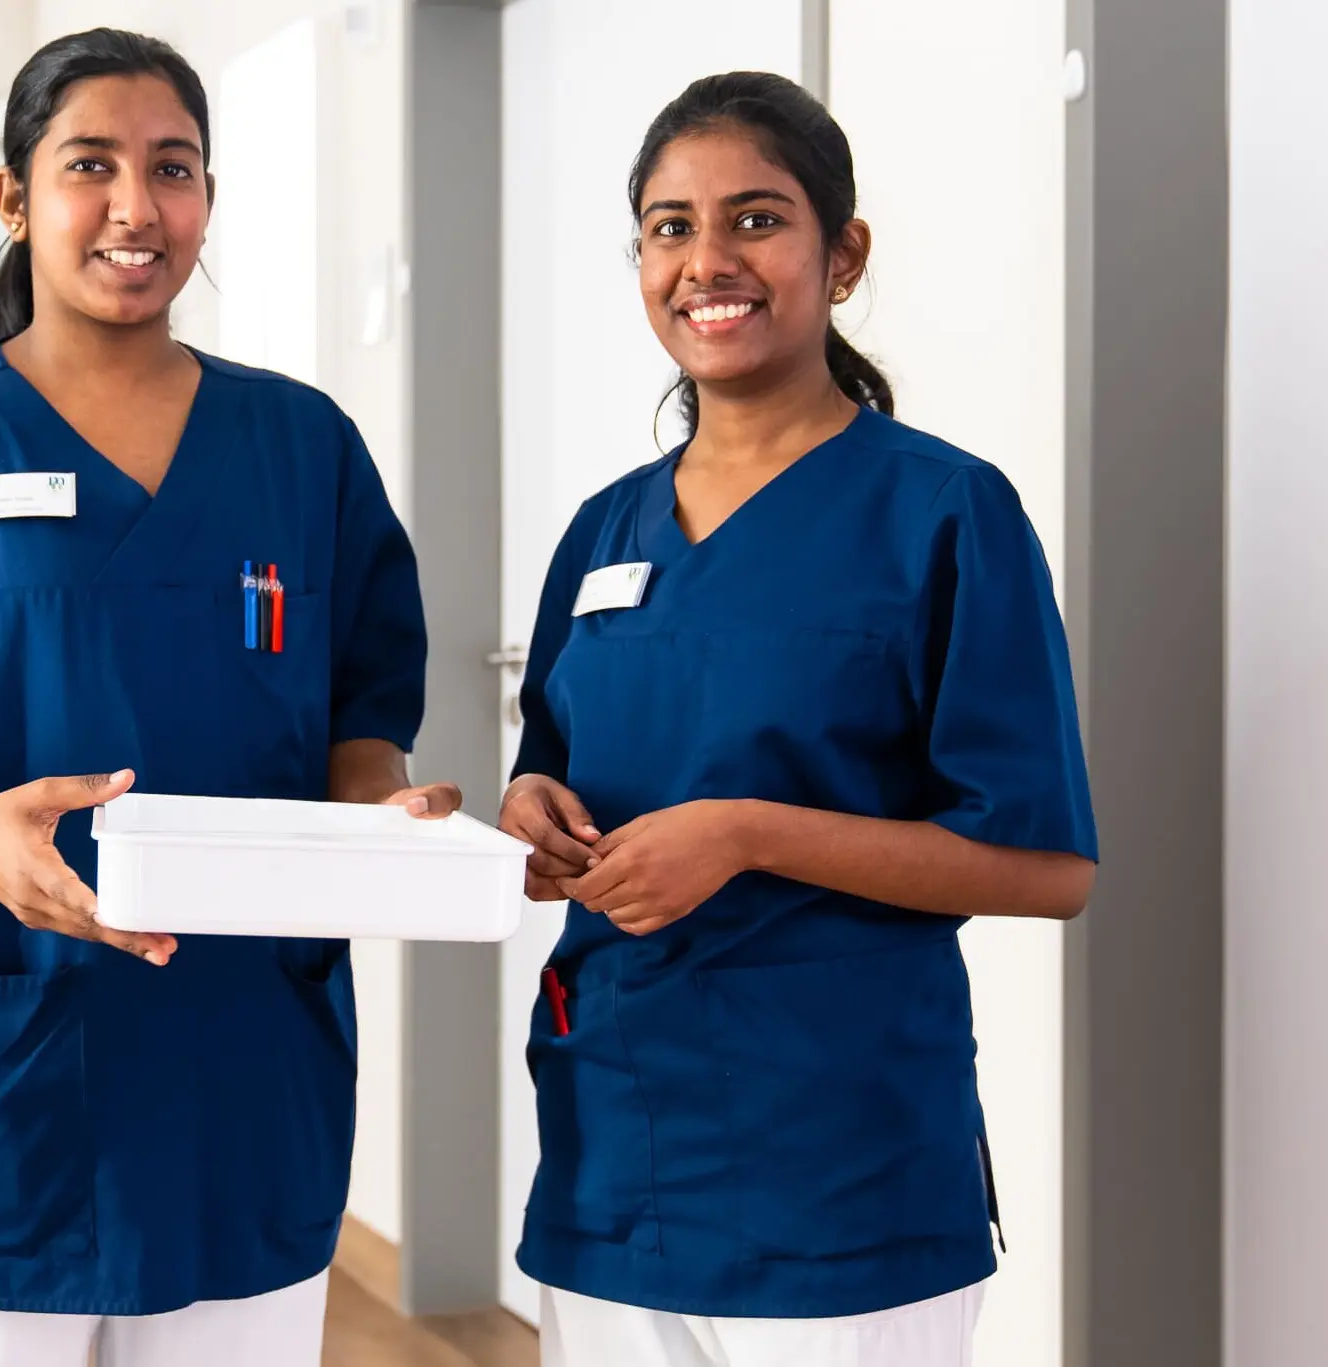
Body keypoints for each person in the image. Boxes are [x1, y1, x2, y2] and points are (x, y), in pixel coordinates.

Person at [0, 28, 458, 1367]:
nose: (137, 206)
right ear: (14, 198)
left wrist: (385, 809)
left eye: (172, 168)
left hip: (237, 1069)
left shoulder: (301, 449)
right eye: (91, 166)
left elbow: (362, 707)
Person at [498, 72, 1097, 1367]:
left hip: (841, 1169)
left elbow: (1048, 867)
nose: (706, 260)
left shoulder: (943, 514)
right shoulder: (601, 531)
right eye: (668, 227)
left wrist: (748, 833)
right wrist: (527, 814)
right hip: (615, 1143)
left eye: (754, 219)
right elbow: (551, 769)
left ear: (843, 251)